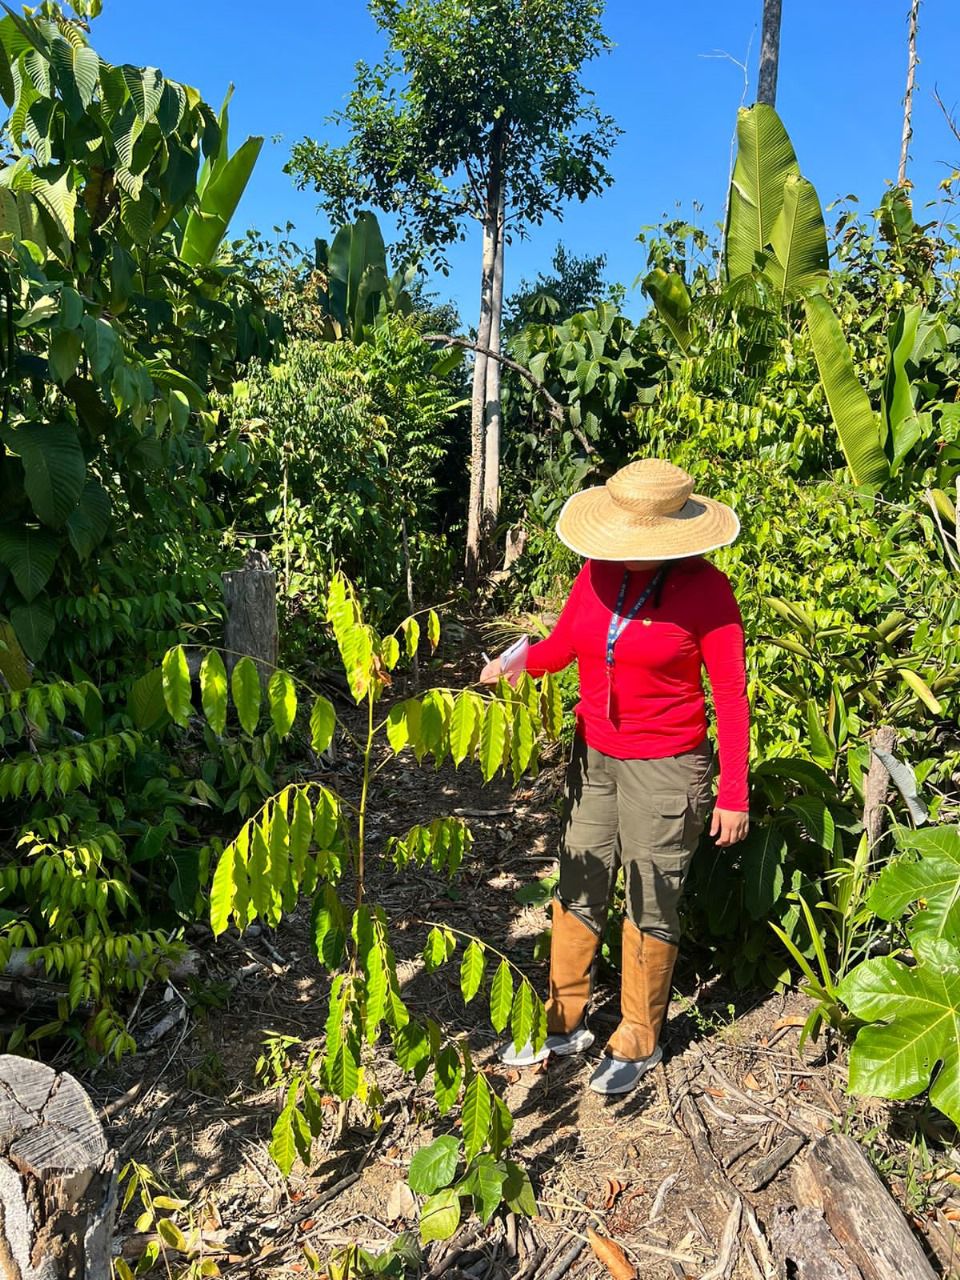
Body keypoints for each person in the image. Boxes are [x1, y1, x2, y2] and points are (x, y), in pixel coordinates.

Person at [480, 458, 749, 1095]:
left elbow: (731, 698)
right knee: (579, 877)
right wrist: (515, 664)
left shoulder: (707, 592)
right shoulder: (596, 573)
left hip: (666, 766)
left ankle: (638, 1034)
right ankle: (564, 1017)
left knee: (651, 894)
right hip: (594, 755)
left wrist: (733, 791)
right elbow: (563, 645)